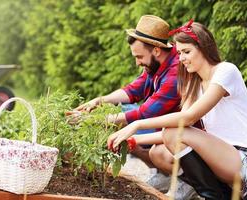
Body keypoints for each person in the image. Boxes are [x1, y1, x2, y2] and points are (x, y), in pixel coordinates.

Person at [107, 19, 247, 200]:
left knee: (173, 133)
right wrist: (131, 140)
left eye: (187, 52)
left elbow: (187, 118)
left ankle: (214, 197)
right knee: (157, 152)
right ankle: (220, 195)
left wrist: (136, 125)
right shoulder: (193, 84)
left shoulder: (225, 71)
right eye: (179, 53)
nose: (181, 59)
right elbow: (174, 129)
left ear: (204, 48)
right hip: (223, 157)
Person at [67, 15, 197, 198]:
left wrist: (97, 120)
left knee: (126, 132)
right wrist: (99, 101)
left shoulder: (176, 71)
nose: (137, 62)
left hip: (185, 135)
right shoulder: (155, 66)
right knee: (123, 125)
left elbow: (145, 114)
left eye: (139, 57)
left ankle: (188, 181)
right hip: (165, 128)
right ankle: (164, 174)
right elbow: (132, 91)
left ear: (157, 51)